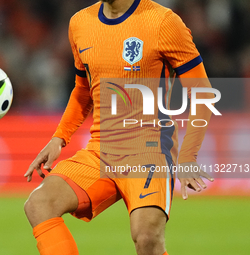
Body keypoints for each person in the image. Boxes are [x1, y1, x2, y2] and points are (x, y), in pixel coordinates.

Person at [24, 0, 215, 254]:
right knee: (39, 204)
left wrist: (189, 156)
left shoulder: (163, 22)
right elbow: (83, 90)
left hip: (151, 151)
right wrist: (59, 137)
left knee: (146, 236)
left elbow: (202, 93)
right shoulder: (80, 23)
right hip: (100, 151)